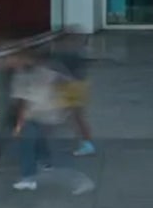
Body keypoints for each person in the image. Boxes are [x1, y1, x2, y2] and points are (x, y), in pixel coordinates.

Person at [9, 54, 94, 194]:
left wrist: (19, 125)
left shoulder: (26, 76)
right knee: (38, 138)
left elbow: (23, 103)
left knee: (27, 144)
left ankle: (28, 178)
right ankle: (45, 162)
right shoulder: (47, 71)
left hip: (36, 113)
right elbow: (65, 81)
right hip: (47, 113)